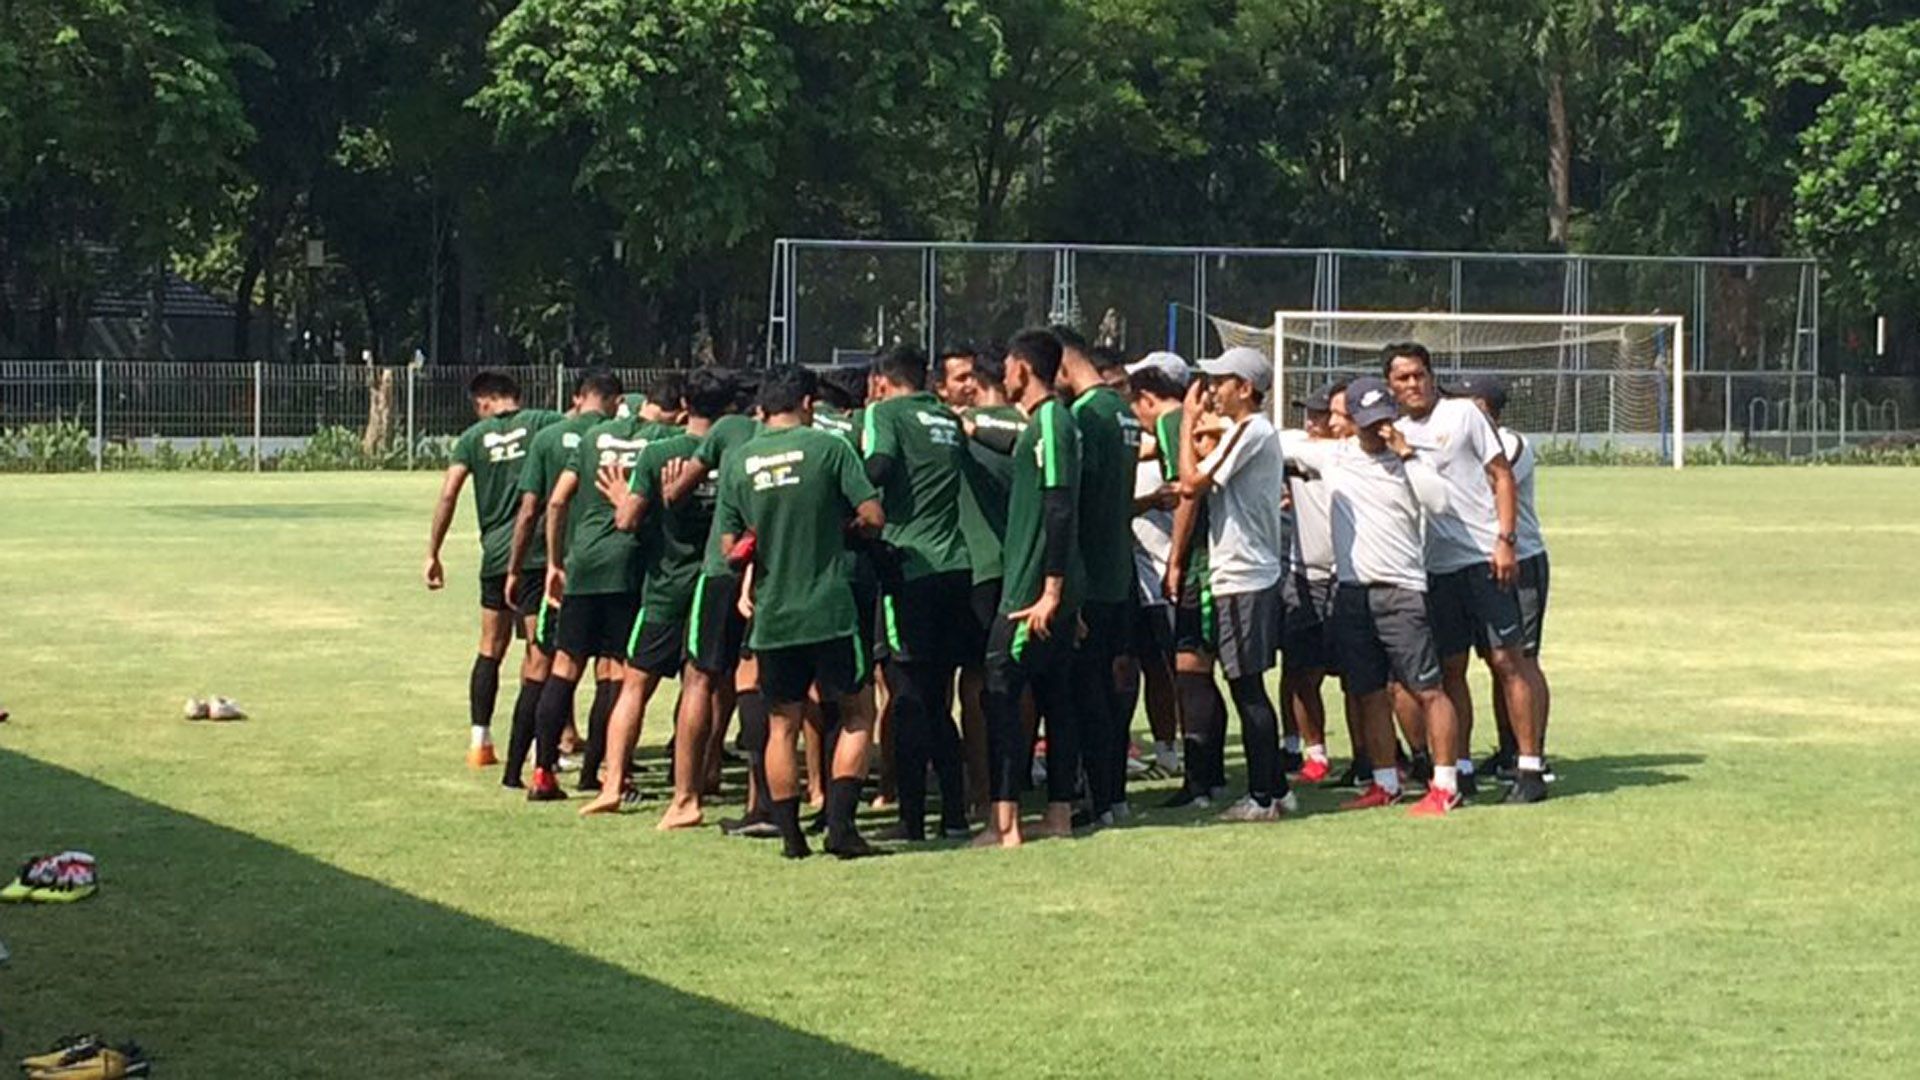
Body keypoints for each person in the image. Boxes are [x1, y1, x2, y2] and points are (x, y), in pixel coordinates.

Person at [713, 365, 887, 859]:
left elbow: (730, 546)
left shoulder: (739, 461)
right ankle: (841, 830)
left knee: (782, 724)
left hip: (773, 611)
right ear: (808, 403)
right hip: (830, 605)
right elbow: (873, 515)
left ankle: (791, 839)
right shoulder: (830, 449)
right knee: (856, 713)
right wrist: (846, 526)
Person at [1285, 376, 1464, 816]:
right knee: (1367, 691)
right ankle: (1385, 782)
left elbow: (1440, 503)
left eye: (1379, 421)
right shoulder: (1335, 456)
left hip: (1402, 591)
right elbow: (1275, 442)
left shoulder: (1412, 459)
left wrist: (1406, 453)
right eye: (1363, 421)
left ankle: (1445, 784)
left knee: (1427, 689)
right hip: (1351, 593)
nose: (1371, 430)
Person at [1384, 343, 1550, 804]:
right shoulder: (1393, 431)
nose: (1413, 384)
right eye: (1403, 378)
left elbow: (1500, 475)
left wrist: (1505, 539)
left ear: (1431, 376)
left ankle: (1529, 767)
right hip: (1437, 564)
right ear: (1391, 386)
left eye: (1419, 375)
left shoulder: (1463, 415)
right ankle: (1460, 766)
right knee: (1450, 667)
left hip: (1484, 555)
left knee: (1506, 660)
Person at [584, 369, 736, 823]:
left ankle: (613, 783)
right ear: (730, 409)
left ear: (685, 403)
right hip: (713, 584)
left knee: (635, 683)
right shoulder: (735, 452)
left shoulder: (659, 453)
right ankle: (699, 778)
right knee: (705, 684)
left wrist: (617, 496)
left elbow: (628, 521)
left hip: (665, 585)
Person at [528, 395, 673, 800]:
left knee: (565, 667)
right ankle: (601, 773)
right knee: (616, 673)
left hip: (583, 564)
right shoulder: (663, 439)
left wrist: (556, 561)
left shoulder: (593, 436)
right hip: (627, 569)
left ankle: (542, 773)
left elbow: (556, 500)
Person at [976, 329, 1084, 849]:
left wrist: (1052, 591)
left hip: (1028, 595)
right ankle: (1058, 813)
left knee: (999, 695)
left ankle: (1005, 824)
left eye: (1007, 365)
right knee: (1056, 697)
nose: (1002, 374)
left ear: (1022, 368)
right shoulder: (1042, 426)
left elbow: (1059, 505)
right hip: (1047, 589)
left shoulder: (1050, 423)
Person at [862, 345, 974, 842]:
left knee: (905, 698)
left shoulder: (884, 413)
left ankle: (911, 820)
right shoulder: (946, 418)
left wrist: (846, 495)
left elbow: (879, 468)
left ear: (882, 381)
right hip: (955, 567)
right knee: (937, 701)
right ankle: (953, 813)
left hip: (907, 566)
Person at [1178, 347, 1295, 821]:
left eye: (1220, 382)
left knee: (1247, 688)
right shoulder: (1245, 432)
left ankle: (1263, 796)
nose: (1211, 392)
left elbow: (1191, 482)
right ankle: (1278, 788)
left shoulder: (1252, 430)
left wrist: (1187, 423)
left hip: (1245, 575)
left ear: (1245, 388)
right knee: (1245, 685)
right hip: (1244, 573)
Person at [425, 371, 562, 768]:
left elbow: (449, 492)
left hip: (495, 558)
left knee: (490, 648)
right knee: (539, 652)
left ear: (485, 400)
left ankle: (479, 743)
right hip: (536, 556)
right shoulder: (544, 423)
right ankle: (538, 745)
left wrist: (433, 551)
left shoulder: (471, 439)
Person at [500, 369, 623, 785]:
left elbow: (532, 507)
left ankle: (527, 769)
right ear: (615, 400)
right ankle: (596, 773)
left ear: (576, 397)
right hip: (607, 567)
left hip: (550, 566)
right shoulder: (614, 438)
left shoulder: (549, 438)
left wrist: (517, 567)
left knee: (547, 664)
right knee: (610, 670)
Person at [1448, 375, 1554, 781]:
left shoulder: (1510, 443)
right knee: (1496, 659)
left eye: (1458, 401)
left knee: (1521, 659)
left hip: (1520, 558)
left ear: (1479, 404)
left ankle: (1532, 755)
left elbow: (1488, 481)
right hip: (1477, 560)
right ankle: (1508, 748)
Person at [1053, 330, 1140, 824]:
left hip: (1091, 575)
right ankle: (1114, 795)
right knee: (1111, 685)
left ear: (1065, 366)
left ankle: (1100, 798)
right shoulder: (1124, 410)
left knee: (1087, 691)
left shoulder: (1085, 416)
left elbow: (1076, 502)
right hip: (1118, 569)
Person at [954, 347, 1026, 813]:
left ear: (976, 386)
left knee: (975, 682)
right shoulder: (1035, 426)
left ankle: (982, 788)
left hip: (979, 566)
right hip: (1024, 567)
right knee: (1023, 683)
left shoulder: (968, 432)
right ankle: (1016, 783)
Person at [1123, 352, 1191, 777]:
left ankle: (1180, 753)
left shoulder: (1172, 426)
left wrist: (1176, 562)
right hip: (1143, 572)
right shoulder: (1153, 436)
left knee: (1172, 668)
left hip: (1165, 571)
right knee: (1145, 664)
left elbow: (1183, 493)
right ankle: (1164, 751)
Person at [1280, 381, 1348, 785]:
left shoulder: (1338, 452)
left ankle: (1378, 755)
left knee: (1358, 678)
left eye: (1321, 413)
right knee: (1300, 671)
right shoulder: (1297, 442)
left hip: (1345, 576)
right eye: (1308, 411)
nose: (1312, 420)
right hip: (1304, 575)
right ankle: (1312, 751)